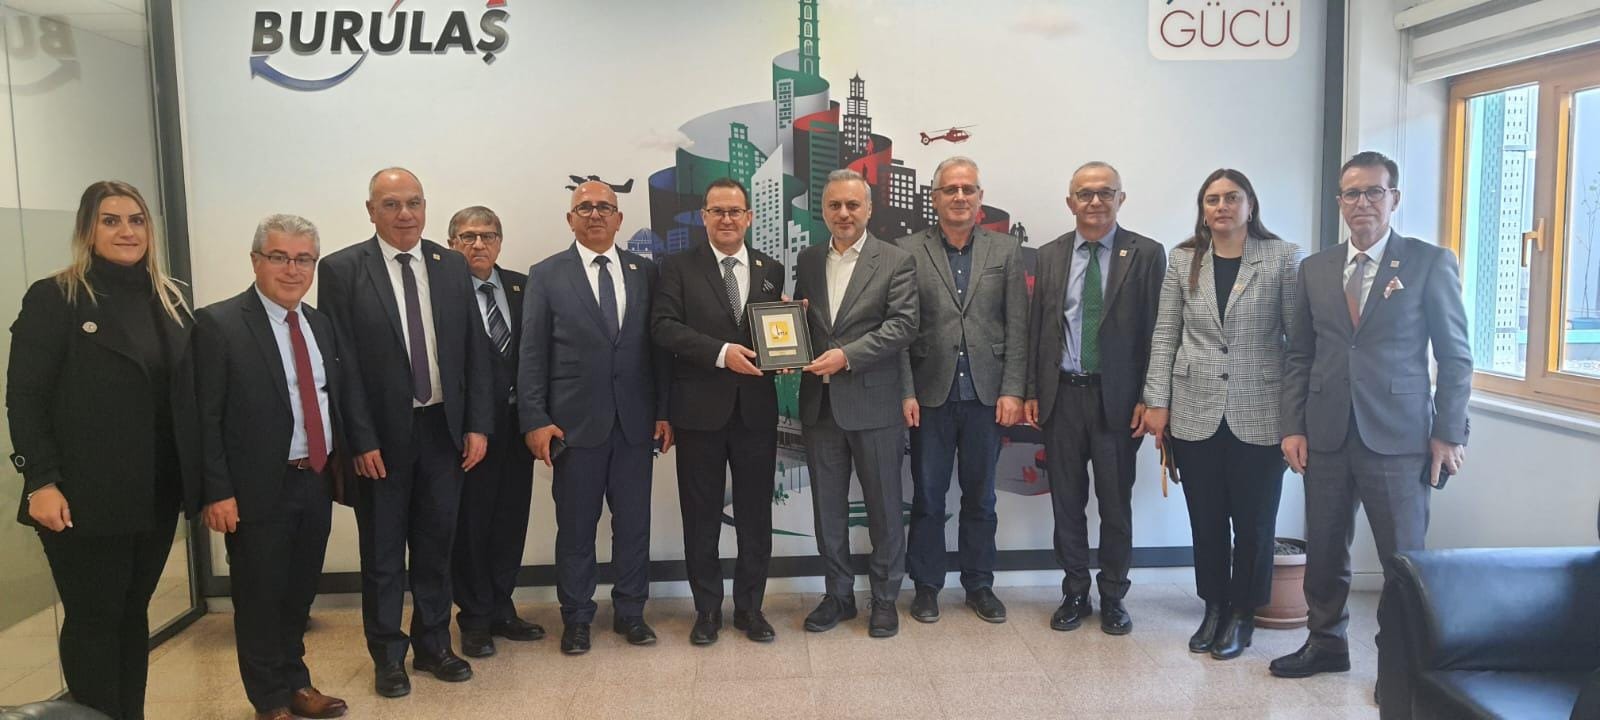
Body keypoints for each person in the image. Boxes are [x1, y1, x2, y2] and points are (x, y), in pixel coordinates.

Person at [1271, 152, 1471, 709]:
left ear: (1394, 198)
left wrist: (1449, 432)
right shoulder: (1315, 268)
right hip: (1327, 432)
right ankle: (1325, 642)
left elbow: (1455, 356)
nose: (1362, 203)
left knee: (1402, 562)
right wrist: (1293, 425)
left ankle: (1397, 666)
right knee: (1325, 548)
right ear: (1339, 201)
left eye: (1373, 192)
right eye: (1351, 193)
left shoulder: (1429, 263)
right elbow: (1300, 354)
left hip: (1400, 438)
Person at [6, 180, 196, 720]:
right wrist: (40, 480)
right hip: (82, 498)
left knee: (132, 617)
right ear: (88, 230)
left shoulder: (170, 298)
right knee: (95, 620)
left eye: (136, 220)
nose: (126, 231)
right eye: (110, 220)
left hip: (153, 494)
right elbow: (25, 397)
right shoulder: (56, 297)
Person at [317, 167, 493, 697]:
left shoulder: (450, 265)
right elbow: (341, 364)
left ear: (426, 208)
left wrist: (478, 425)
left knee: (437, 547)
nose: (405, 214)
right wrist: (360, 439)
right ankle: (388, 656)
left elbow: (474, 352)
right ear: (371, 211)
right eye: (391, 204)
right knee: (384, 554)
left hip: (444, 432)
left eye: (414, 202)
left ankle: (434, 645)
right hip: (381, 441)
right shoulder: (342, 269)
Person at [1139, 169, 1304, 660]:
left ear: (1250, 205)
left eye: (1232, 198)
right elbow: (1165, 333)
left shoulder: (1282, 258)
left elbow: (1298, 342)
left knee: (1254, 523)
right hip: (1195, 408)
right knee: (1206, 520)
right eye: (1212, 199)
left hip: (1261, 409)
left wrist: (1297, 417)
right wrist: (1157, 402)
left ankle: (1243, 614)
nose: (1222, 207)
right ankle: (1213, 607)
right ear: (1203, 208)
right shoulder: (1184, 259)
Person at [192, 214, 349, 720]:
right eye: (279, 257)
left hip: (313, 478)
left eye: (304, 259)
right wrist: (217, 491)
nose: (292, 269)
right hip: (255, 487)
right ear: (256, 260)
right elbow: (203, 416)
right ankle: (269, 699)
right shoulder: (219, 324)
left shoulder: (319, 323)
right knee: (259, 597)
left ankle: (296, 682)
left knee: (298, 593)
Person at [519, 181, 671, 655]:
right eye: (584, 207)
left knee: (634, 525)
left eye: (605, 207)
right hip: (573, 427)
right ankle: (577, 618)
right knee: (576, 529)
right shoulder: (546, 274)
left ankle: (631, 613)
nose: (595, 214)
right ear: (570, 219)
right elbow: (531, 353)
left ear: (619, 218)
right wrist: (535, 418)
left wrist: (663, 412)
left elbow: (658, 350)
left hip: (635, 424)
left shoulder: (645, 272)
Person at [1024, 161, 1165, 635]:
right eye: (1085, 193)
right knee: (1066, 502)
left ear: (1121, 198)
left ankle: (1114, 595)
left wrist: (1149, 397)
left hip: (1118, 403)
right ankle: (1075, 592)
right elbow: (1038, 329)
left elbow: (1157, 331)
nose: (1095, 201)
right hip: (1062, 397)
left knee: (1115, 505)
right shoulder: (1049, 255)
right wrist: (1032, 391)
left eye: (1106, 192)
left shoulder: (1146, 254)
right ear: (1070, 202)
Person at [650, 179, 786, 645]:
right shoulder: (676, 267)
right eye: (717, 211)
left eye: (735, 211)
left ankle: (750, 609)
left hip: (756, 413)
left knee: (755, 517)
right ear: (704, 217)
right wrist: (721, 352)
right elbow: (663, 327)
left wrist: (790, 340)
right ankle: (707, 610)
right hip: (698, 413)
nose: (726, 219)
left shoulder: (771, 269)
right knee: (701, 516)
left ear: (749, 217)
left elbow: (774, 332)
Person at [894, 157, 1027, 624]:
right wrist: (905, 391)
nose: (959, 196)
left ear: (980, 197)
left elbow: (1018, 326)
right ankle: (927, 586)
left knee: (981, 498)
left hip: (986, 398)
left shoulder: (1005, 250)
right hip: (929, 395)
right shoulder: (907, 250)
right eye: (950, 189)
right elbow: (900, 331)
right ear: (934, 198)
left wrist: (1013, 389)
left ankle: (979, 585)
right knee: (928, 498)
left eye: (968, 189)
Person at [792, 169, 918, 638]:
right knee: (828, 511)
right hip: (820, 406)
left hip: (875, 405)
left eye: (852, 205)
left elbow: (903, 325)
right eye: (834, 205)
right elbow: (807, 322)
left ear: (868, 209)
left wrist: (847, 356)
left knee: (884, 508)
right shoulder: (808, 259)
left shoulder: (895, 260)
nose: (843, 213)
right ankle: (838, 596)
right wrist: (788, 334)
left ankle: (884, 599)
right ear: (823, 211)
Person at [445, 206, 546, 658]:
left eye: (487, 236)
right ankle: (474, 617)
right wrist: (472, 424)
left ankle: (502, 607)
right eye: (467, 237)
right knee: (472, 524)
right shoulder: (444, 293)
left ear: (500, 242)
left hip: (517, 424)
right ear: (451, 244)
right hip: (470, 431)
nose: (478, 244)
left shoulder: (523, 286)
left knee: (510, 518)